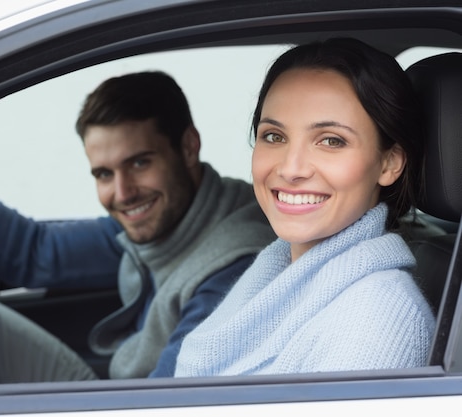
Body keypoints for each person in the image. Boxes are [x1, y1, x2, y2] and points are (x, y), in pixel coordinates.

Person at [0, 71, 275, 385]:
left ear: (188, 147)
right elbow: (36, 254)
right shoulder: (164, 223)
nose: (123, 193)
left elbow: (169, 402)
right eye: (103, 173)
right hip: (130, 393)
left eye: (139, 163)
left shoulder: (232, 267)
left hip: (141, 405)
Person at [174, 38, 436, 377]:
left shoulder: (378, 318)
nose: (291, 168)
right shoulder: (273, 276)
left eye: (331, 140)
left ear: (389, 163)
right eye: (274, 136)